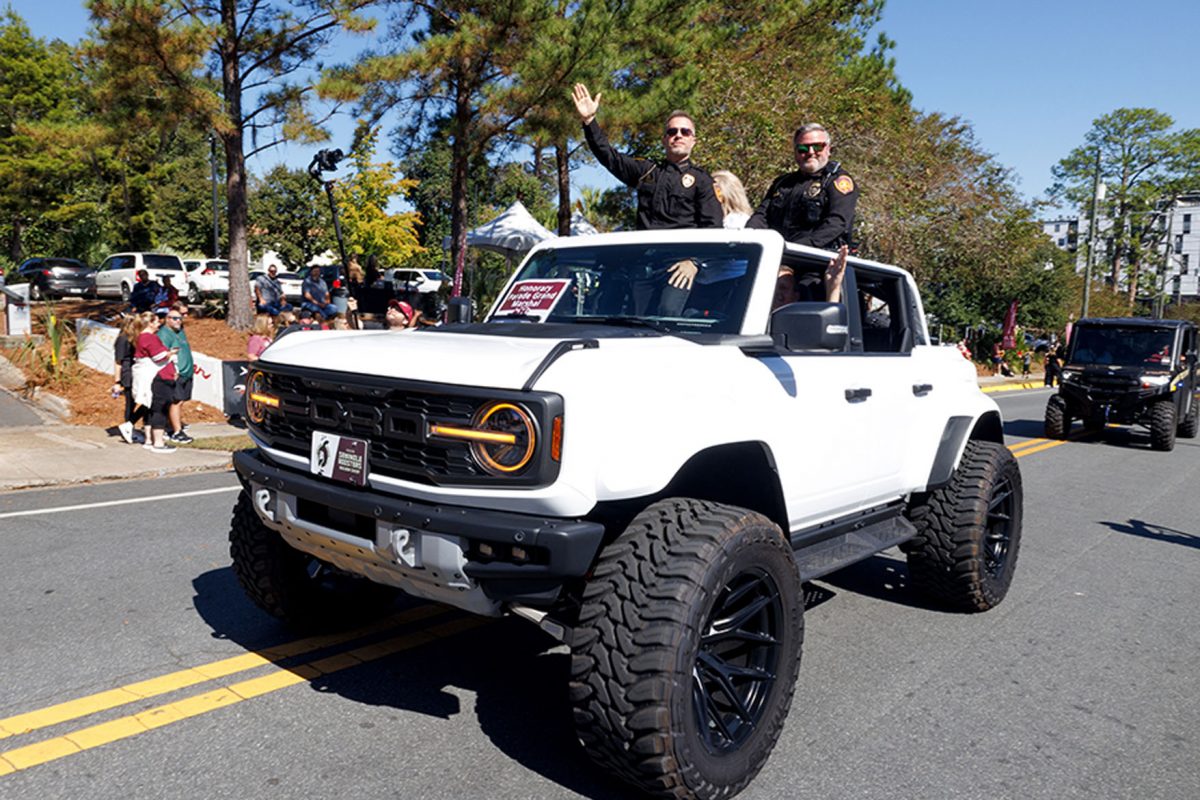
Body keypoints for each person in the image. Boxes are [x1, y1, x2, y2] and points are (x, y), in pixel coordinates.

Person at [572, 83, 723, 233]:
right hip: (647, 253)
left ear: (693, 141)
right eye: (672, 132)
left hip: (684, 255)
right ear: (664, 140)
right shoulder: (646, 171)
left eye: (685, 132)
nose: (678, 135)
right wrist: (589, 121)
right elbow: (609, 156)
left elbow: (713, 229)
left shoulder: (702, 181)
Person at [747, 123, 858, 249]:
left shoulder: (837, 181)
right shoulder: (783, 183)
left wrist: (796, 248)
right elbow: (761, 216)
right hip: (778, 253)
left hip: (818, 258)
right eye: (803, 149)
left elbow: (837, 223)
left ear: (828, 150)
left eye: (818, 147)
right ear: (795, 152)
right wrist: (749, 236)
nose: (811, 152)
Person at [132, 311, 177, 453]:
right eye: (157, 321)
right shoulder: (149, 338)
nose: (159, 324)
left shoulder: (141, 338)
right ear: (149, 323)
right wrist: (171, 353)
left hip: (156, 377)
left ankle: (149, 439)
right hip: (159, 378)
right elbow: (158, 357)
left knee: (152, 408)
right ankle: (158, 442)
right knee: (160, 408)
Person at [157, 301, 194, 444]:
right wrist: (174, 371)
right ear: (167, 319)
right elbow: (164, 355)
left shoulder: (180, 330)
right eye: (175, 318)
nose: (179, 320)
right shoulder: (165, 334)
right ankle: (177, 431)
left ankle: (171, 425)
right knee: (175, 402)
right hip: (176, 373)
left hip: (187, 372)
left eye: (181, 317)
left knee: (181, 400)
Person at [111, 313, 149, 444]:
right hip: (129, 373)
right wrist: (117, 381)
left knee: (146, 401)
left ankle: (130, 425)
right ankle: (129, 426)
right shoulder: (123, 339)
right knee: (130, 404)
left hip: (138, 371)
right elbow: (118, 362)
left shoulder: (135, 338)